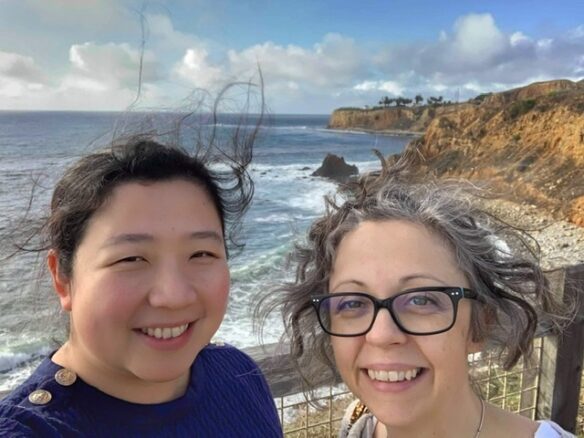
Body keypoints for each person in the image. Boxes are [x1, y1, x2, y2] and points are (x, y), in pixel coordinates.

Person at [258, 153, 575, 437]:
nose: (381, 335)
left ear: (480, 323)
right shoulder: (358, 424)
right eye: (352, 303)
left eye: (421, 300)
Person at [0, 136, 282, 436]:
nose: (173, 296)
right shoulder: (31, 430)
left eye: (201, 253)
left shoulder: (237, 372)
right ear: (63, 278)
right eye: (131, 259)